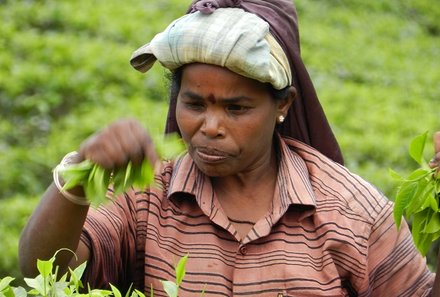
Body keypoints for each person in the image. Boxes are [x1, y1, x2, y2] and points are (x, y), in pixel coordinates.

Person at [18, 0, 440, 296]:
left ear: (282, 106)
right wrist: (80, 174)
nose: (210, 127)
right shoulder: (148, 198)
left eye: (237, 108)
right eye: (195, 104)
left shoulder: (350, 211)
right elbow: (48, 272)